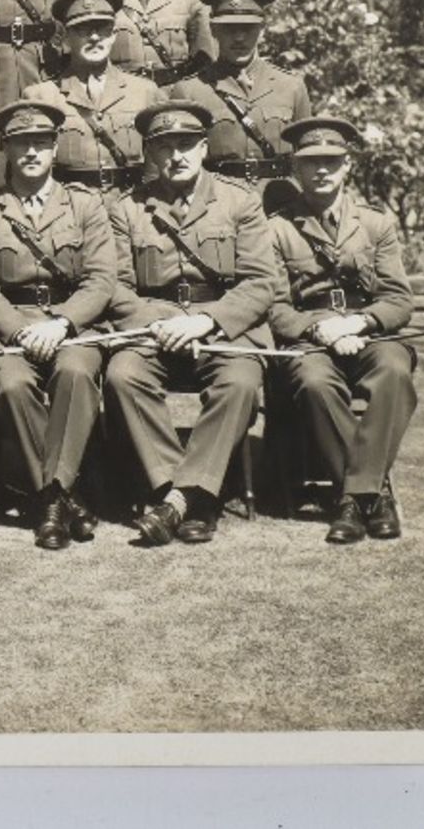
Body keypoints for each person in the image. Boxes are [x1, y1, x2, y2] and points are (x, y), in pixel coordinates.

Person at [104, 100, 285, 546]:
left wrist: (205, 321)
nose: (177, 156)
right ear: (149, 153)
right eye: (165, 148)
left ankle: (179, 501)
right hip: (155, 330)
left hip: (225, 329)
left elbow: (261, 283)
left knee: (240, 383)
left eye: (186, 145)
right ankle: (185, 494)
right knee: (122, 375)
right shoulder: (127, 209)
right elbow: (116, 287)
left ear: (204, 147)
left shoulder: (240, 202)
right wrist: (166, 323)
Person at [0, 99, 118, 550]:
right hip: (8, 330)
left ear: (54, 148)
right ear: (6, 151)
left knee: (74, 373)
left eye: (40, 143)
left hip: (72, 326)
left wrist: (62, 323)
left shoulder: (86, 205)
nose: (31, 153)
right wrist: (17, 330)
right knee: (11, 385)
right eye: (21, 144)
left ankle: (46, 501)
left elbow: (101, 278)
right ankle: (63, 497)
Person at [267, 116, 417, 544]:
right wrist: (322, 330)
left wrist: (360, 322)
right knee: (313, 382)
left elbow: (398, 299)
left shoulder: (375, 224)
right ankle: (373, 496)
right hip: (311, 340)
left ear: (347, 165)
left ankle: (351, 499)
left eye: (331, 161)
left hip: (368, 333)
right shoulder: (277, 228)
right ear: (295, 169)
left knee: (393, 370)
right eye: (310, 162)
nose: (321, 171)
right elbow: (275, 306)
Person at [168, 0, 311, 203]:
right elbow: (177, 162)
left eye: (247, 28)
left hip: (280, 205)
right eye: (229, 29)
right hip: (219, 205)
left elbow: (306, 158)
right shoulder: (190, 91)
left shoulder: (291, 86)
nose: (239, 38)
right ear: (214, 30)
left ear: (262, 29)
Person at [21, 0, 163, 196]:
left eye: (102, 28)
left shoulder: (145, 92)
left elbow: (156, 167)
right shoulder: (42, 96)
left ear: (114, 34)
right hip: (70, 208)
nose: (95, 37)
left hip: (131, 203)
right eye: (83, 30)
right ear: (66, 38)